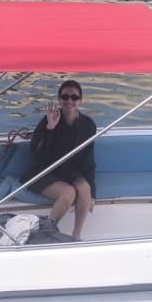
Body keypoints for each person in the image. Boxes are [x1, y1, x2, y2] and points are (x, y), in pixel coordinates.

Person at [24, 80, 96, 240]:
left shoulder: (88, 125)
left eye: (74, 97)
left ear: (80, 100)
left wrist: (93, 193)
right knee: (68, 192)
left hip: (69, 172)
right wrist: (50, 128)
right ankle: (47, 231)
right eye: (65, 97)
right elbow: (38, 157)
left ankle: (76, 236)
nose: (69, 101)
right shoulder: (48, 120)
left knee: (85, 188)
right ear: (59, 100)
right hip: (43, 171)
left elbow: (88, 161)